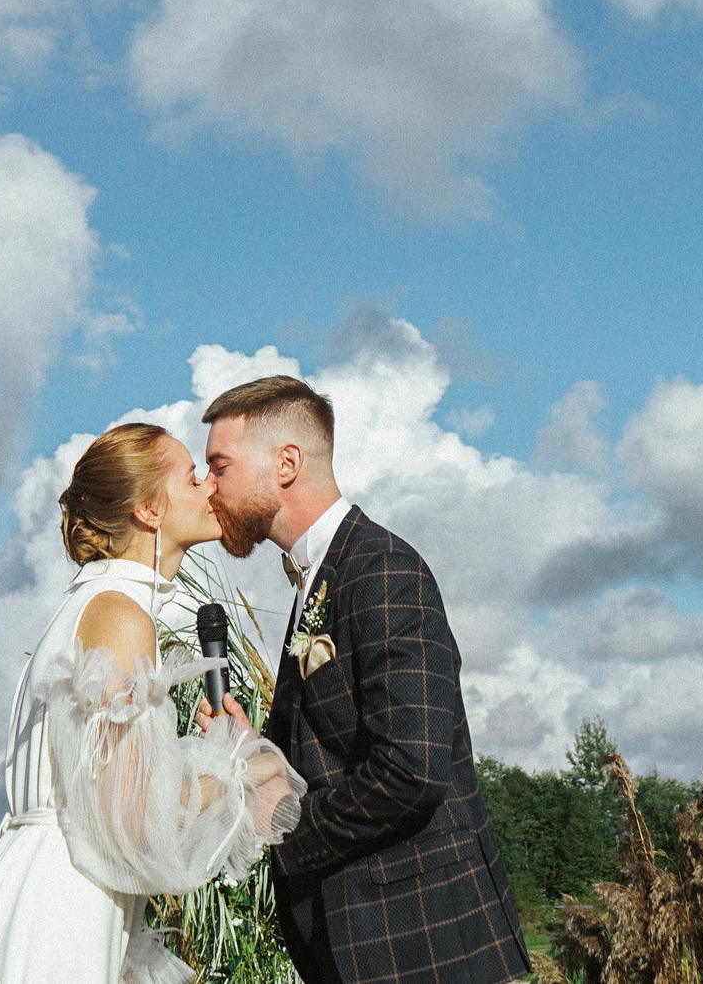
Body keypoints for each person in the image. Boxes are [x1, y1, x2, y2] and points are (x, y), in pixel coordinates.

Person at [0, 422, 304, 984]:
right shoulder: (119, 614)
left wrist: (205, 752)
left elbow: (103, 787)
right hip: (63, 906)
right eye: (190, 477)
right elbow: (132, 825)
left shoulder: (96, 604)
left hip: (52, 885)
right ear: (149, 512)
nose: (209, 486)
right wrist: (244, 768)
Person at [200, 376, 530, 984]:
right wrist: (255, 755)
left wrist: (292, 824)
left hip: (422, 946)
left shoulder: (382, 569)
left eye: (219, 465)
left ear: (287, 463)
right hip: (361, 946)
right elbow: (332, 755)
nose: (207, 486)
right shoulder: (319, 579)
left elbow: (413, 768)